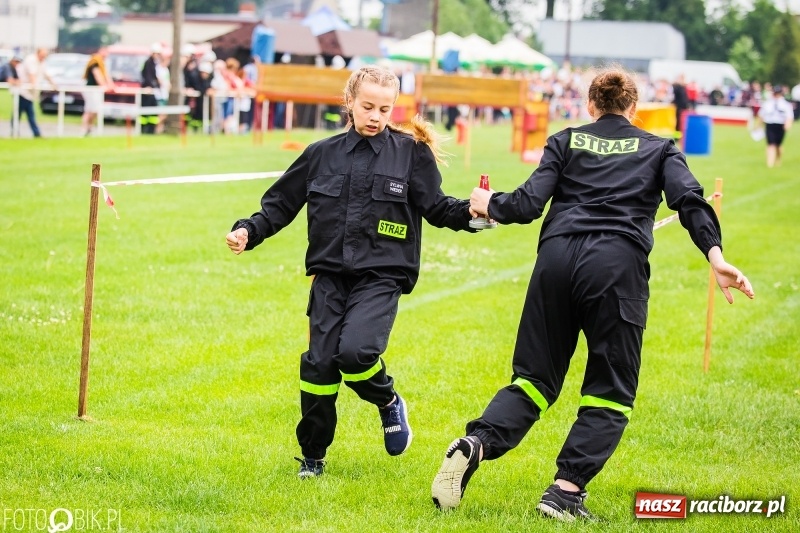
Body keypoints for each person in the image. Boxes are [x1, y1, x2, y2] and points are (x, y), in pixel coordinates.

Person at [431, 66, 755, 521]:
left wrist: (490, 204)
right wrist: (716, 256)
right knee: (610, 389)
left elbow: (526, 204)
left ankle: (477, 442)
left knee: (534, 379)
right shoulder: (660, 147)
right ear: (634, 109)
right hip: (615, 269)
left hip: (556, 262)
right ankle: (564, 494)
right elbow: (690, 201)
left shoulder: (566, 139)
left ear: (589, 105)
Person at [226, 65, 475, 478]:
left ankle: (388, 401)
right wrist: (248, 231)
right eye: (368, 106)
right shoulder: (321, 154)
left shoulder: (411, 153)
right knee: (320, 365)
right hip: (330, 275)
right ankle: (313, 456)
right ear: (349, 102)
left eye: (385, 108)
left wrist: (476, 213)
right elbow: (280, 204)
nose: (376, 116)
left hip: (383, 275)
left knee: (356, 354)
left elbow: (437, 206)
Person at [756, 85, 794, 168]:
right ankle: (770, 164)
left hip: (780, 125)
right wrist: (758, 125)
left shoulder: (785, 104)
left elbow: (789, 116)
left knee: (778, 145)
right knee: (771, 144)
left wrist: (788, 124)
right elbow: (761, 114)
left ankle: (778, 159)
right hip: (770, 124)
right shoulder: (768, 103)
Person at [81, 48, 113, 136]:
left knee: (94, 110)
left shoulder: (102, 63)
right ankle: (84, 128)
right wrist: (104, 86)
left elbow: (106, 75)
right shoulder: (95, 61)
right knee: (90, 110)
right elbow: (97, 75)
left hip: (96, 89)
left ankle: (89, 127)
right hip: (91, 89)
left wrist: (111, 85)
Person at [140, 43, 162, 134]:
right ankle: (145, 130)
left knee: (153, 112)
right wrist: (151, 85)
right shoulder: (148, 62)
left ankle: (151, 130)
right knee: (146, 111)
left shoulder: (154, 63)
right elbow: (147, 77)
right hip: (148, 91)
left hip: (153, 91)